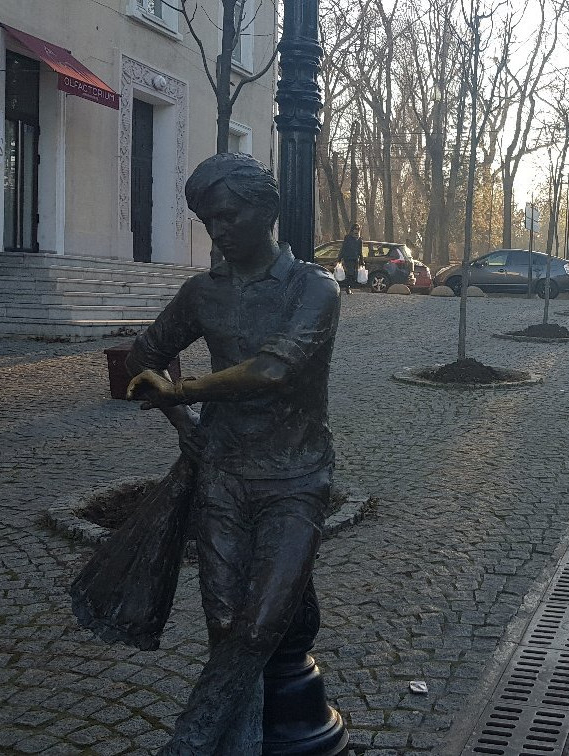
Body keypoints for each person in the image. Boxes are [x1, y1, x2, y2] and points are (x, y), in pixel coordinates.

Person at [122, 153, 341, 753]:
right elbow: (141, 356)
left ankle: (187, 745)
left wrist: (185, 390)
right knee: (224, 627)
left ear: (266, 209)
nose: (217, 230)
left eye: (227, 215)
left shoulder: (314, 288)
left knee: (263, 622)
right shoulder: (202, 294)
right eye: (206, 220)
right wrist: (182, 423)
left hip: (295, 478)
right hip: (223, 477)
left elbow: (275, 370)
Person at [338, 223, 363, 294]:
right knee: (350, 273)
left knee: (353, 274)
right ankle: (347, 287)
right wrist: (339, 258)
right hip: (348, 258)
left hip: (355, 258)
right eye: (355, 229)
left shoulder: (359, 239)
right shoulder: (348, 237)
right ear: (352, 230)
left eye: (358, 229)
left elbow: (360, 251)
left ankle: (348, 286)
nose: (356, 231)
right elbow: (343, 248)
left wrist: (362, 260)